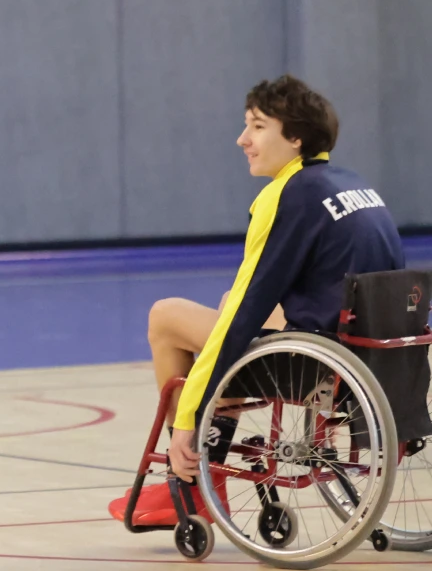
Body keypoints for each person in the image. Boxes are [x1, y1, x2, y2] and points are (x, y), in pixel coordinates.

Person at [117, 75, 402, 524]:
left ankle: (190, 479)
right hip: (369, 356)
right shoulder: (350, 184)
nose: (242, 139)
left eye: (256, 127)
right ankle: (216, 437)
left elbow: (243, 315)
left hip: (318, 366)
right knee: (231, 298)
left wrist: (190, 413)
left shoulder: (284, 196)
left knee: (166, 316)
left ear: (294, 138)